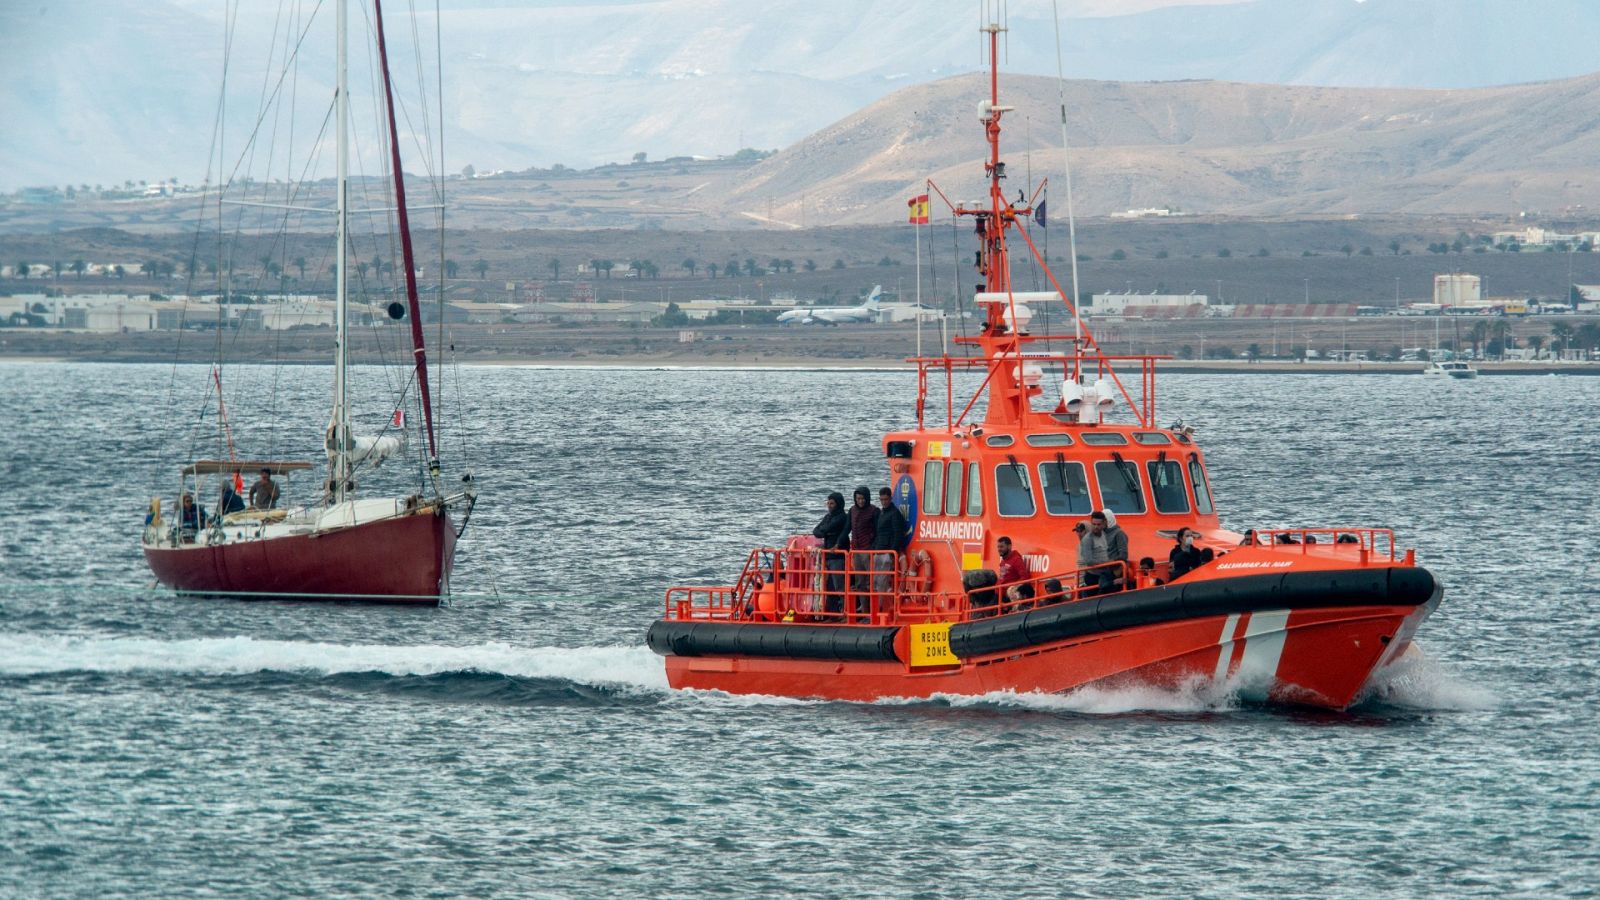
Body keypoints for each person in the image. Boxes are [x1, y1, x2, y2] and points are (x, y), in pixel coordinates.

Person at [812, 491, 849, 617]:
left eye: (832, 503)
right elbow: (816, 531)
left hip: (838, 556)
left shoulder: (842, 517)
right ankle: (833, 614)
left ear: (838, 504)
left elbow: (825, 529)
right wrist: (825, 532)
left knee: (839, 586)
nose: (829, 506)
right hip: (828, 555)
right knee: (829, 586)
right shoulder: (828, 517)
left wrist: (825, 532)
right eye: (828, 503)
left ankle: (845, 612)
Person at [871, 486, 908, 604]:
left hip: (887, 552)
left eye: (886, 499)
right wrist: (874, 547)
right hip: (879, 551)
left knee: (883, 581)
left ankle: (882, 606)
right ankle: (879, 605)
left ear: (890, 498)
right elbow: (879, 532)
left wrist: (892, 552)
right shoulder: (882, 513)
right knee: (876, 581)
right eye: (881, 499)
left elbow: (898, 534)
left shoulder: (894, 514)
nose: (884, 502)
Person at [847, 485, 878, 616]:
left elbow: (877, 530)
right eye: (858, 498)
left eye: (863, 498)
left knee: (872, 581)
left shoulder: (874, 511)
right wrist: (838, 543)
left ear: (867, 498)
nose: (861, 501)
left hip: (868, 550)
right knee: (860, 582)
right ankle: (865, 611)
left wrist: (873, 546)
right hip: (856, 551)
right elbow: (847, 528)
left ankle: (874, 611)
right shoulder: (852, 510)